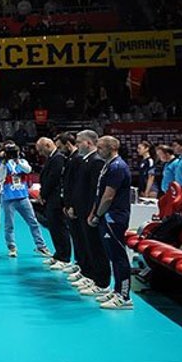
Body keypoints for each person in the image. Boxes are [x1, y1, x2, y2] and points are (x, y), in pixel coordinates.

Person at [64, 130, 112, 297]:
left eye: (79, 142)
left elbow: (94, 192)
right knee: (86, 245)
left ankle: (101, 282)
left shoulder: (96, 162)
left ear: (88, 143)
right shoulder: (85, 160)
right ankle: (89, 275)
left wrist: (94, 213)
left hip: (89, 212)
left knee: (96, 247)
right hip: (82, 210)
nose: (77, 145)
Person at [91, 136, 134, 310]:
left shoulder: (117, 167)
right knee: (112, 256)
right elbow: (100, 192)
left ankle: (124, 297)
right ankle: (117, 290)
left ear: (111, 148)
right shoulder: (108, 165)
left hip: (114, 217)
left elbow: (108, 196)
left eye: (100, 147)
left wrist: (97, 215)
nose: (98, 150)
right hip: (107, 216)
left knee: (118, 256)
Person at [0, 142, 49, 258]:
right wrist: (4, 162)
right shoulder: (1, 164)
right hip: (8, 198)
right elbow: (0, 177)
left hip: (23, 196)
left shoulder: (22, 162)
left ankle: (41, 246)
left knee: (33, 222)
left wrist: (17, 161)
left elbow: (28, 170)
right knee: (9, 225)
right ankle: (12, 247)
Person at [35, 137, 71, 270]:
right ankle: (58, 254)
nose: (40, 153)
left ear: (47, 145)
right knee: (54, 228)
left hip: (56, 199)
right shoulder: (52, 158)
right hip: (50, 198)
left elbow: (53, 179)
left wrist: (43, 194)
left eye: (41, 150)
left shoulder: (58, 158)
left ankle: (64, 257)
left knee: (60, 228)